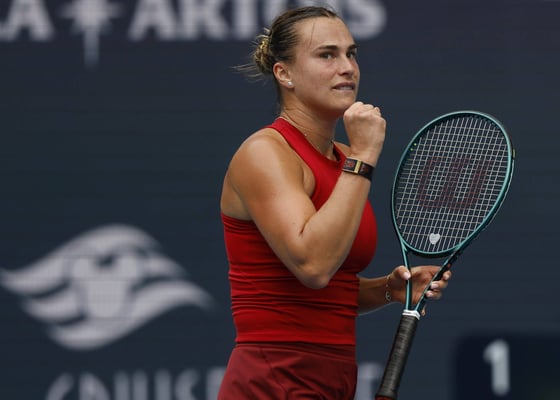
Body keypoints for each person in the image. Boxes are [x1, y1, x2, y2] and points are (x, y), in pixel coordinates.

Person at [218, 6, 451, 399]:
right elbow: (313, 265)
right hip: (274, 378)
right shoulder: (265, 153)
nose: (347, 68)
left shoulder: (344, 157)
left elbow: (330, 290)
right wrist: (363, 156)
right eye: (327, 55)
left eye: (351, 54)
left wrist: (390, 290)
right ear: (284, 74)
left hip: (333, 378)